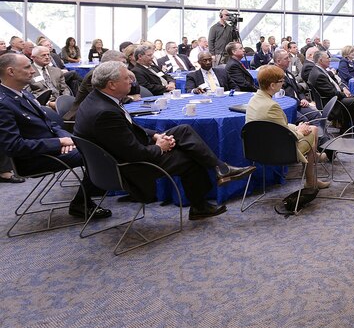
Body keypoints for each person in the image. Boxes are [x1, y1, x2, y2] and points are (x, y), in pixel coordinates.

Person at [74, 62, 254, 220]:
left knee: (183, 130)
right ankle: (201, 206)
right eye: (126, 78)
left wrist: (155, 136)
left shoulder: (98, 100)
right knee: (189, 158)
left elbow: (127, 129)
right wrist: (160, 147)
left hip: (120, 154)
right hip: (128, 167)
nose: (131, 81)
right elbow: (135, 153)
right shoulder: (105, 113)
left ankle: (220, 168)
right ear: (112, 84)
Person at [0, 53, 113, 217]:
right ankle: (82, 203)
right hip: (34, 158)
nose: (32, 71)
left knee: (101, 146)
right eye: (27, 67)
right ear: (10, 71)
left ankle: (90, 196)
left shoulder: (23, 93)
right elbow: (14, 146)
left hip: (52, 149)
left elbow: (50, 124)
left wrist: (67, 140)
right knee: (100, 153)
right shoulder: (3, 103)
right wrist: (59, 143)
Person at [246, 65, 328, 198]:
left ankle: (313, 170)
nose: (283, 83)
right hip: (277, 151)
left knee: (309, 129)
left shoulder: (254, 99)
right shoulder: (271, 106)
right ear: (272, 85)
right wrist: (300, 131)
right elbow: (283, 134)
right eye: (280, 81)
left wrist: (297, 127)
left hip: (256, 149)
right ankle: (311, 177)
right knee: (313, 130)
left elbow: (277, 126)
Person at [64, 50, 140, 122]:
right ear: (110, 63)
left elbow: (135, 91)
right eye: (122, 63)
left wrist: (132, 77)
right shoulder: (95, 75)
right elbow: (106, 96)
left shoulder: (117, 74)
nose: (125, 66)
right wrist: (131, 98)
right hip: (82, 117)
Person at [308, 51, 354, 130]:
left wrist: (343, 89)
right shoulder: (319, 75)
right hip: (331, 103)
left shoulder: (320, 70)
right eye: (327, 58)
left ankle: (349, 127)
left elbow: (335, 82)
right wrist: (344, 94)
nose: (329, 60)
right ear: (320, 60)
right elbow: (331, 93)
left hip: (333, 98)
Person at [272, 50, 318, 122]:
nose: (289, 60)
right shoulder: (274, 76)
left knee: (316, 114)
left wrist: (303, 99)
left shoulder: (288, 73)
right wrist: (299, 102)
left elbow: (298, 89)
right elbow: (282, 96)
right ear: (278, 61)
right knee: (304, 120)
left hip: (298, 103)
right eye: (286, 58)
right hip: (288, 106)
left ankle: (319, 132)